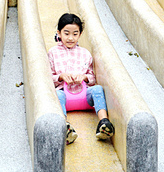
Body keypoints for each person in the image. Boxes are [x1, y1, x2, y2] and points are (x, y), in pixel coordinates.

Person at [48, 12, 115, 144]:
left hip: (83, 95)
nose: (71, 38)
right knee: (57, 94)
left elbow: (92, 77)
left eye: (75, 34)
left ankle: (103, 122)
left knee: (97, 89)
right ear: (59, 33)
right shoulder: (53, 53)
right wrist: (61, 77)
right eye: (66, 33)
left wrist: (84, 77)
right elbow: (48, 76)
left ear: (80, 34)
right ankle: (65, 127)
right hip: (65, 96)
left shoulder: (84, 54)